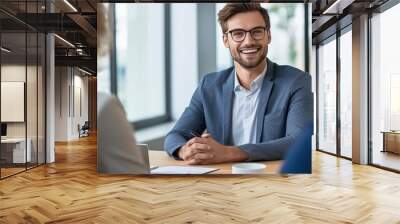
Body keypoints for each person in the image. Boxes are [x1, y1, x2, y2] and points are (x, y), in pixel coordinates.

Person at [164, 3, 313, 165]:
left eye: (256, 32)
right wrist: (185, 150)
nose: (248, 41)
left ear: (268, 36)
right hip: (222, 182)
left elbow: (299, 141)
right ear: (226, 40)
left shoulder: (296, 81)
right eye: (238, 34)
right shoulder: (209, 85)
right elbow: (176, 135)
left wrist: (228, 153)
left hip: (272, 182)